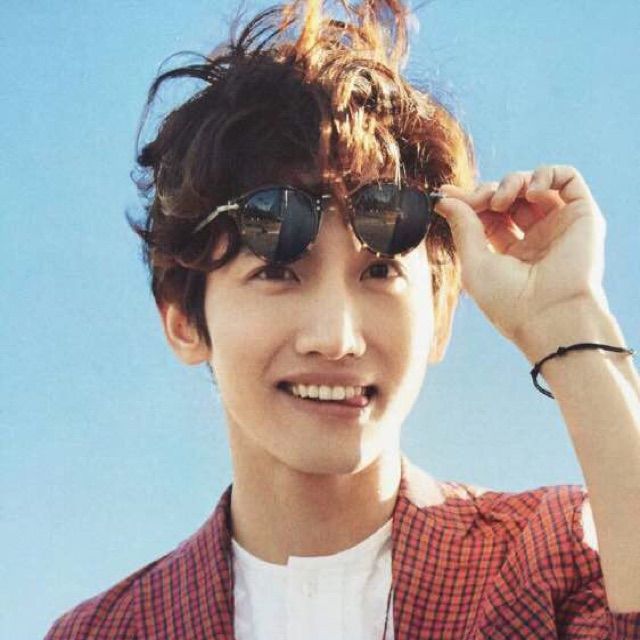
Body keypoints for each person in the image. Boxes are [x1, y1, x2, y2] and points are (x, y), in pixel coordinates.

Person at [45, 0, 640, 637]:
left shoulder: (543, 565)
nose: (337, 338)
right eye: (278, 273)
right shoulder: (110, 630)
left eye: (380, 272)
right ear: (183, 320)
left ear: (441, 314)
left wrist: (567, 316)